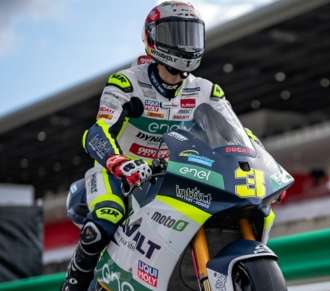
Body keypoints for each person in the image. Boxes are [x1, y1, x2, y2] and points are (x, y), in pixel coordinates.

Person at [61, 1, 229, 290]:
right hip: (119, 172)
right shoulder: (126, 83)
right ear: (153, 38)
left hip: (173, 173)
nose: (185, 44)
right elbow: (97, 131)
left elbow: (233, 135)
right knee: (105, 217)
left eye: (190, 35)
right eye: (176, 35)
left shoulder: (207, 91)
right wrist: (117, 162)